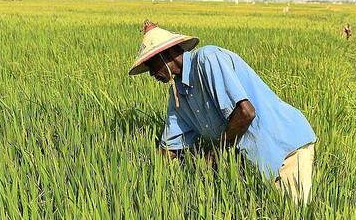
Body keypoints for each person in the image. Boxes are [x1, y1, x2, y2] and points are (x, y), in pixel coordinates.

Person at [128, 20, 317, 205]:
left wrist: (214, 154)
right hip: (256, 160)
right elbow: (169, 148)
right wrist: (145, 182)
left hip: (285, 148)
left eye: (151, 66)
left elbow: (245, 113)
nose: (152, 74)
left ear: (165, 54)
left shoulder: (208, 59)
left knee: (293, 211)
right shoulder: (179, 94)